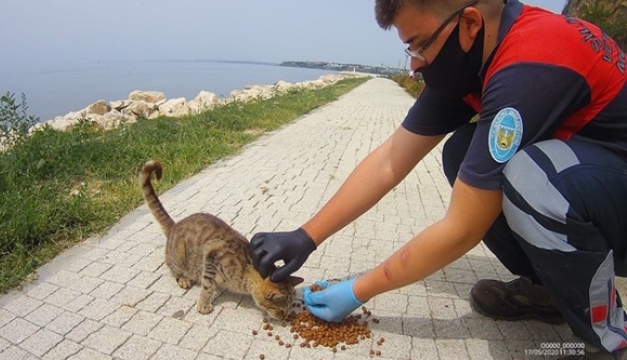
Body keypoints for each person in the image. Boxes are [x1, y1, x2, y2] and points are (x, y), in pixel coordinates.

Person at [250, 0, 627, 358]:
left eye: (418, 45)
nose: (415, 66)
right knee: (463, 153)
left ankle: (609, 342)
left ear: (469, 24)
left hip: (614, 195)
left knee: (532, 177)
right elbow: (390, 160)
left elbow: (463, 227)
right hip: (595, 188)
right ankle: (551, 293)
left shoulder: (531, 65)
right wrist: (306, 236)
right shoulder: (472, 58)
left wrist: (358, 290)